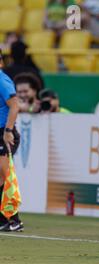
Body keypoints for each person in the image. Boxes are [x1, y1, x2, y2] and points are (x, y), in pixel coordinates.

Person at [0, 50, 23, 232]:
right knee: (2, 176)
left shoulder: (2, 79)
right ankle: (5, 219)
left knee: (6, 174)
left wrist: (8, 131)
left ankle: (14, 219)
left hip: (4, 132)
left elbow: (15, 104)